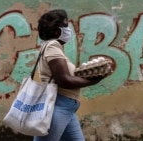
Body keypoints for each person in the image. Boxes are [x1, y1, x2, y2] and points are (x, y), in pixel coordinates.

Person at [34, 9, 105, 141]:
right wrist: (93, 81)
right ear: (56, 31)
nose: (68, 29)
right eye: (65, 26)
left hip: (67, 109)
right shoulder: (52, 46)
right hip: (56, 108)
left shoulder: (52, 47)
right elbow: (64, 80)